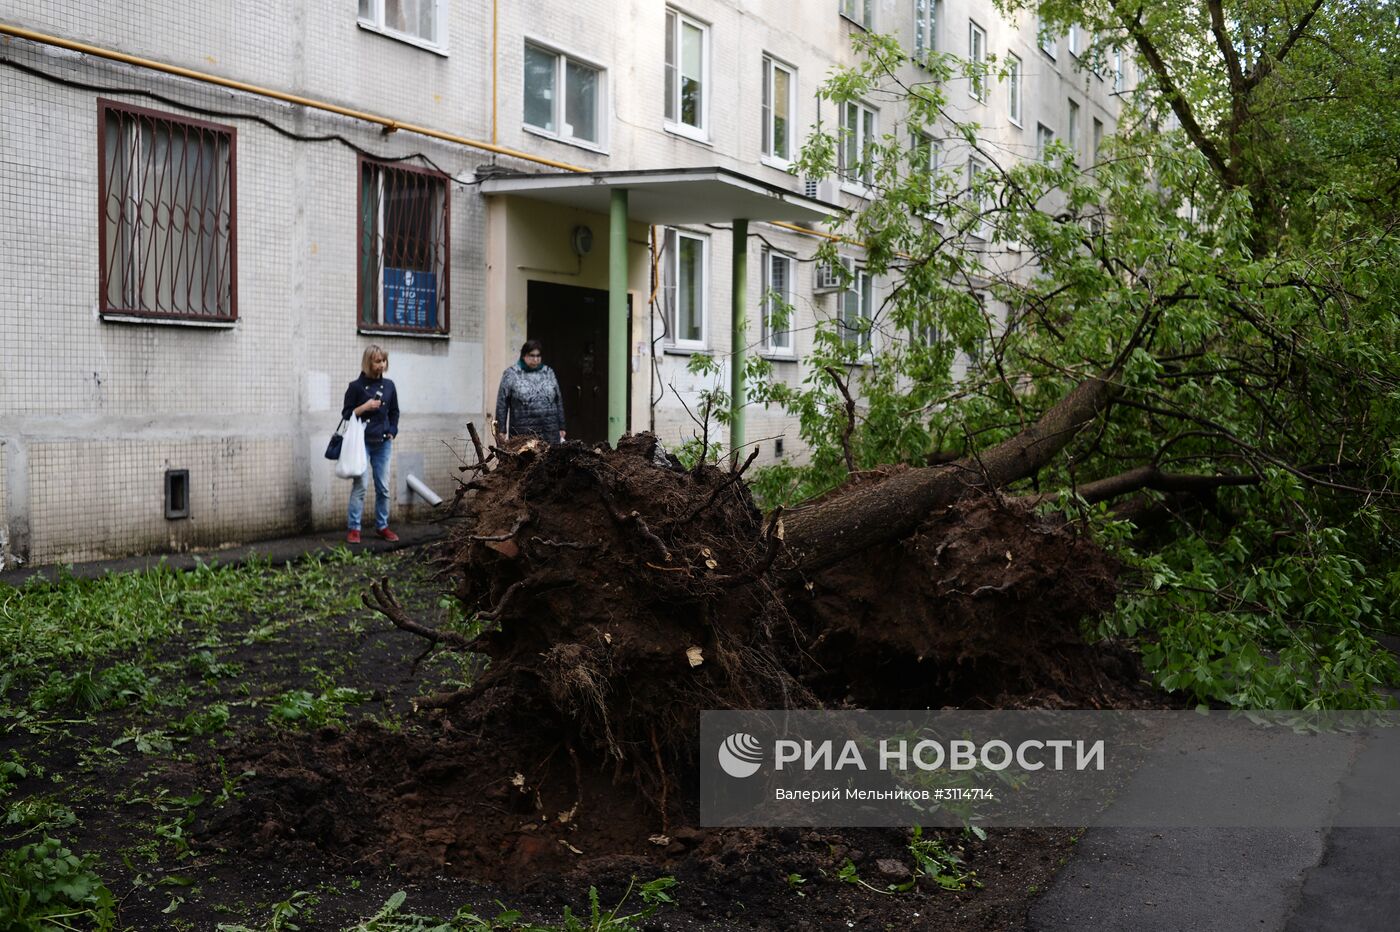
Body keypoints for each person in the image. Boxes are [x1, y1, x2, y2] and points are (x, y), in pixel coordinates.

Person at [342, 344, 400, 544]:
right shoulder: (355, 387)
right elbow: (346, 415)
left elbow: (394, 412)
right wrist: (364, 407)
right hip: (362, 443)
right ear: (368, 362)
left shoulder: (390, 386)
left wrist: (392, 431)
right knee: (361, 486)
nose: (381, 365)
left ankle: (382, 526)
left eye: (383, 360)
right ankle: (354, 528)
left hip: (383, 442)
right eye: (377, 361)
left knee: (383, 487)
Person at [495, 339, 566, 444]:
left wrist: (562, 426)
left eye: (538, 356)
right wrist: (501, 430)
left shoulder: (548, 372)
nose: (536, 359)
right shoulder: (511, 374)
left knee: (551, 458)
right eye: (532, 355)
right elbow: (502, 404)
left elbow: (558, 400)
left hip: (549, 430)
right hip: (523, 432)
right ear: (524, 356)